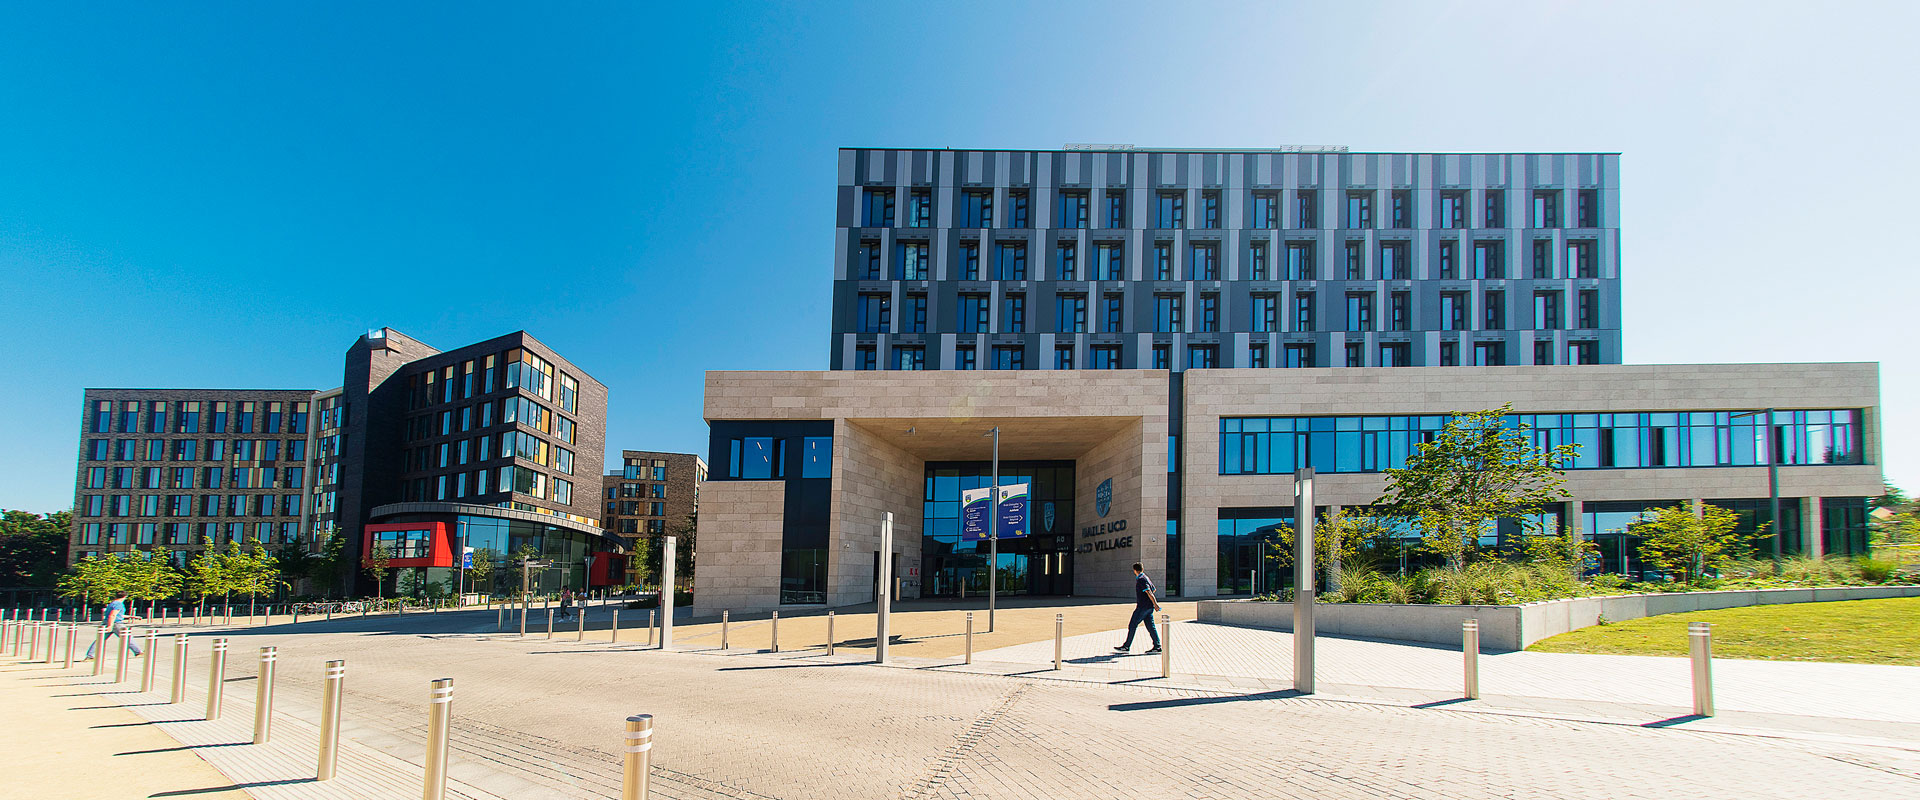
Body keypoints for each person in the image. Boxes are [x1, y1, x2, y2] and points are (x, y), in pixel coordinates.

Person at [1114, 562, 1162, 654]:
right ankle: (1157, 646)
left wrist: (1156, 604)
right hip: (1148, 607)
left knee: (1132, 625)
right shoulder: (1146, 577)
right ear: (1142, 569)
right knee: (1151, 627)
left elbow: (1149, 592)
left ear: (1135, 570)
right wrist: (1152, 603)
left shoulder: (1141, 579)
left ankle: (1126, 646)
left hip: (1142, 607)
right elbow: (1153, 589)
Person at [83, 591, 143, 660]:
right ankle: (138, 652)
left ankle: (90, 655)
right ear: (125, 597)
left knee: (100, 639)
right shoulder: (118, 604)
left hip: (107, 622)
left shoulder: (112, 603)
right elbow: (113, 615)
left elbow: (118, 615)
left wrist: (132, 617)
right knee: (127, 637)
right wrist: (110, 626)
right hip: (116, 623)